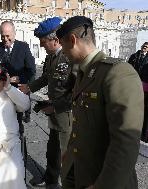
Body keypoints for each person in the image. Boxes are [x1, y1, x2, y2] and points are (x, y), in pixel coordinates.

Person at [56, 16, 144, 189]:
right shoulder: (84, 72)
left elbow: (126, 141)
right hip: (80, 171)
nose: (62, 51)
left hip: (102, 178)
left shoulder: (117, 72)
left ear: (73, 40)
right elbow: (83, 121)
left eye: (62, 45)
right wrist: (70, 154)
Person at [19, 17, 75, 189]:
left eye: (43, 43)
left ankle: (65, 183)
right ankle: (50, 179)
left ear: (55, 40)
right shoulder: (51, 57)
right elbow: (45, 78)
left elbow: (76, 91)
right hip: (53, 111)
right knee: (52, 150)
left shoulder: (68, 57)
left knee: (65, 153)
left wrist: (56, 106)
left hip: (66, 113)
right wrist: (29, 87)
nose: (42, 47)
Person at [0, 20, 35, 127]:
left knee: (17, 123)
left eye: (8, 36)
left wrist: (21, 80)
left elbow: (31, 69)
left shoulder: (23, 47)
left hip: (18, 90)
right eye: (2, 36)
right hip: (1, 91)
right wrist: (4, 77)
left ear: (14, 33)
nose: (5, 39)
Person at [128, 42, 148, 142]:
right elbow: (128, 66)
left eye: (147, 47)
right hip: (133, 82)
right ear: (141, 47)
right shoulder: (134, 56)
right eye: (144, 46)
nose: (145, 48)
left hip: (144, 86)